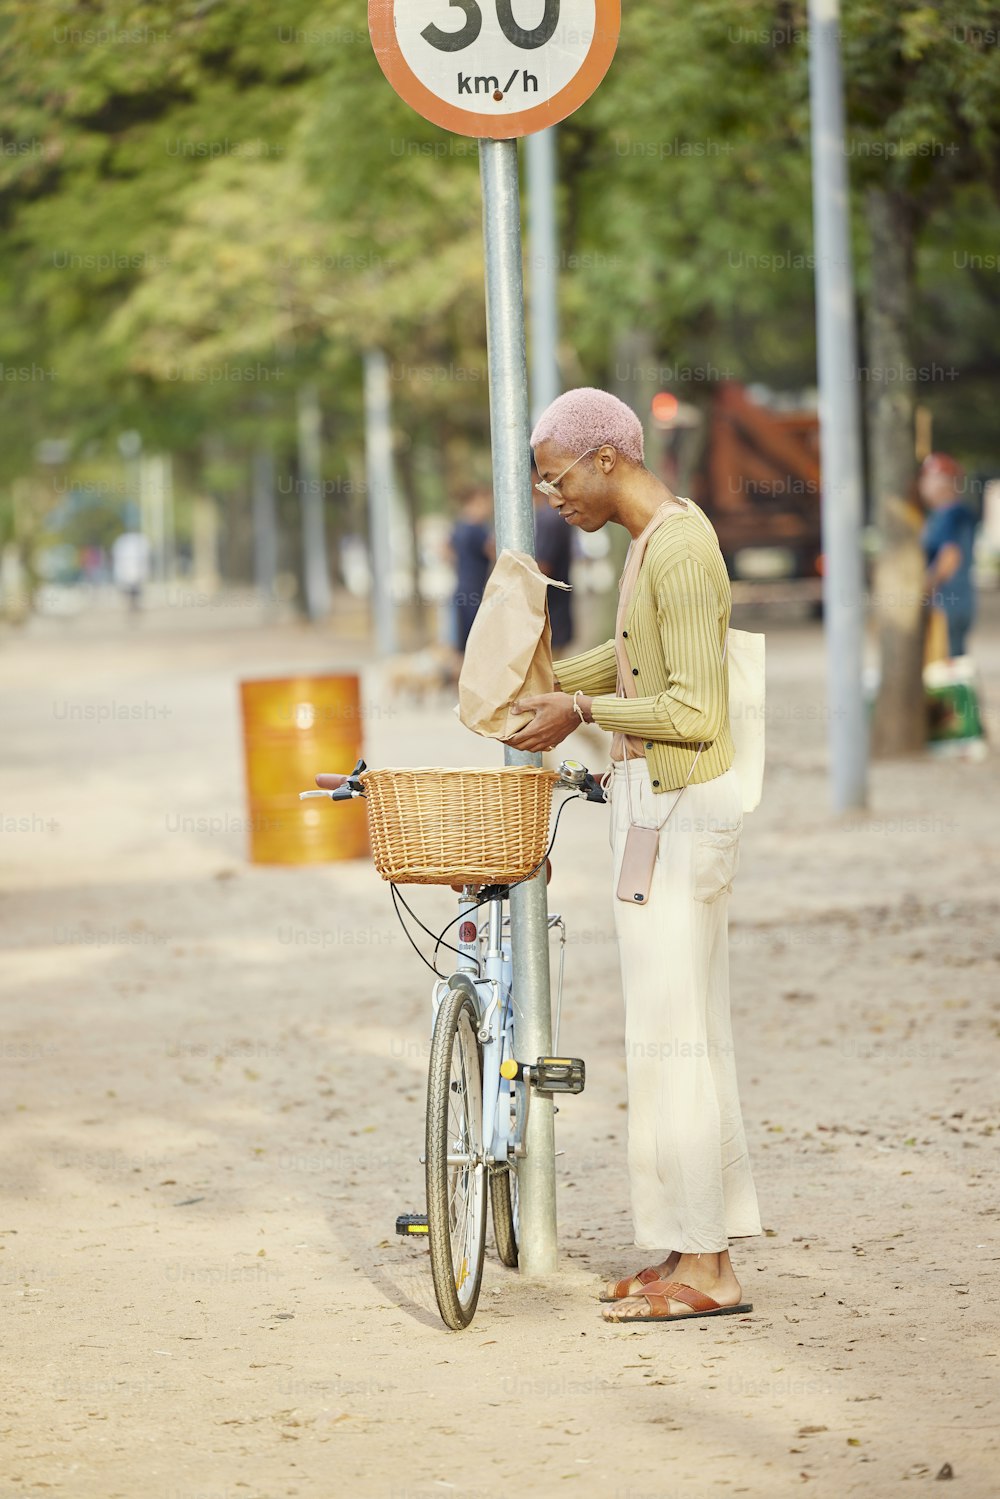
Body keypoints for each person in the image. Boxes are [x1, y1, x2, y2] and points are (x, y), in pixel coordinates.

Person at [506, 386, 762, 1326]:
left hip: (682, 810)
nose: (549, 493)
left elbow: (695, 711)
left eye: (554, 473)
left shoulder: (683, 549)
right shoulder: (652, 543)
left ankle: (713, 1268)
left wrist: (578, 710)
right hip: (659, 811)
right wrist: (533, 683)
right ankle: (695, 1246)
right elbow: (631, 664)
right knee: (672, 1040)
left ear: (607, 457)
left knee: (677, 1040)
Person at [920, 452, 977, 659]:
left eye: (927, 479)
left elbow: (950, 558)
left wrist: (924, 588)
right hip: (961, 601)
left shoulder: (948, 515)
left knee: (946, 668)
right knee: (955, 661)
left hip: (946, 603)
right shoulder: (960, 513)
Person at [532, 464, 574, 651]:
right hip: (551, 615)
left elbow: (543, 567)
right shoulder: (545, 515)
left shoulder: (548, 518)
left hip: (552, 617)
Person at [448, 488, 493, 652]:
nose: (489, 508)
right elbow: (493, 551)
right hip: (474, 589)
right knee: (475, 642)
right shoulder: (477, 529)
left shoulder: (459, 526)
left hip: (462, 586)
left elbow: (447, 550)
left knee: (463, 642)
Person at [111, 529, 150, 614]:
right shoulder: (138, 541)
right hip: (133, 571)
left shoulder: (123, 541)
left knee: (133, 590)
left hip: (131, 571)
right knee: (133, 590)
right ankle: (133, 604)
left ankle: (133, 604)